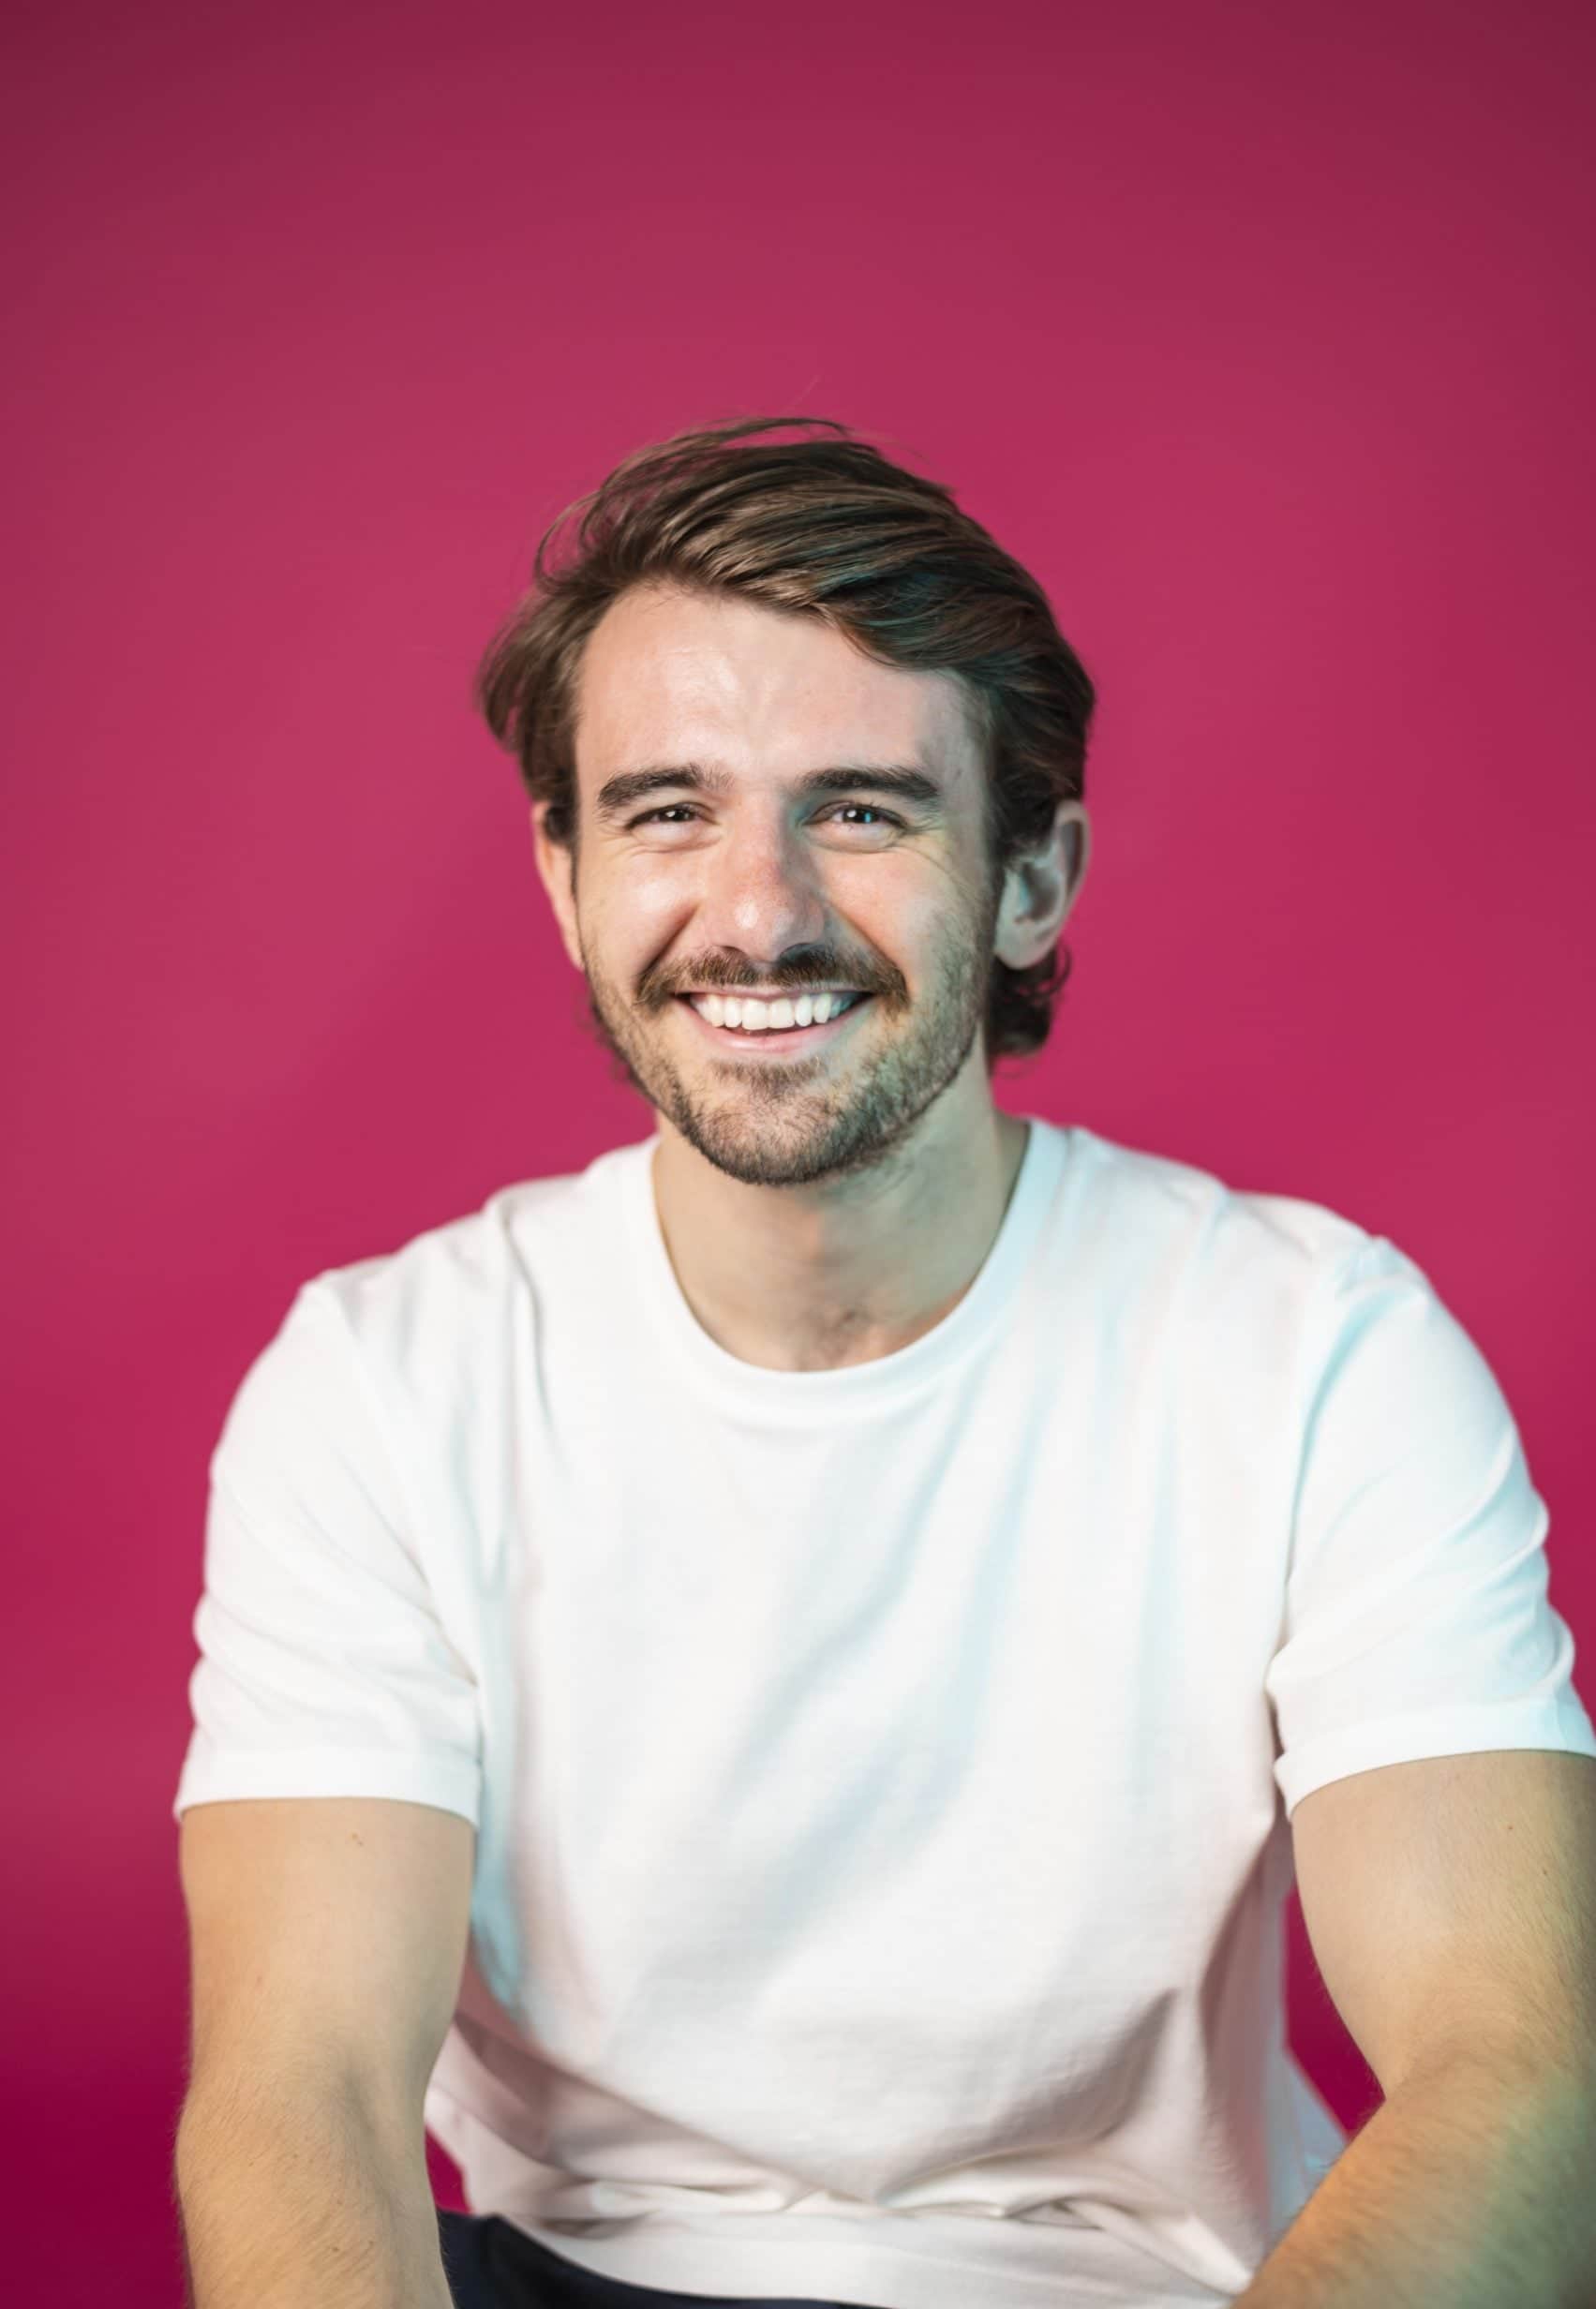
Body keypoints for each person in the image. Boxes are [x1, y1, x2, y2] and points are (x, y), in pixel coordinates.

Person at [172, 416, 1596, 2309]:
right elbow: (302, 2094)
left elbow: (1523, 2078)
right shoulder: (383, 1383)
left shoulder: (1322, 1354)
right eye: (666, 811)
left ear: (1029, 877)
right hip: (557, 2277)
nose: (757, 911)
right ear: (565, 874)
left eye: (859, 809)